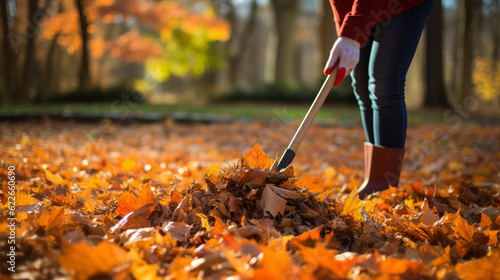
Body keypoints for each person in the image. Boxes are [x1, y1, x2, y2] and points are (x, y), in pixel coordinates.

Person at [324, 0, 437, 198]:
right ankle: (373, 178)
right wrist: (345, 32)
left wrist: (353, 30)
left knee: (384, 84)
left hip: (403, 5)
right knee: (361, 86)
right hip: (361, 8)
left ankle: (384, 184)